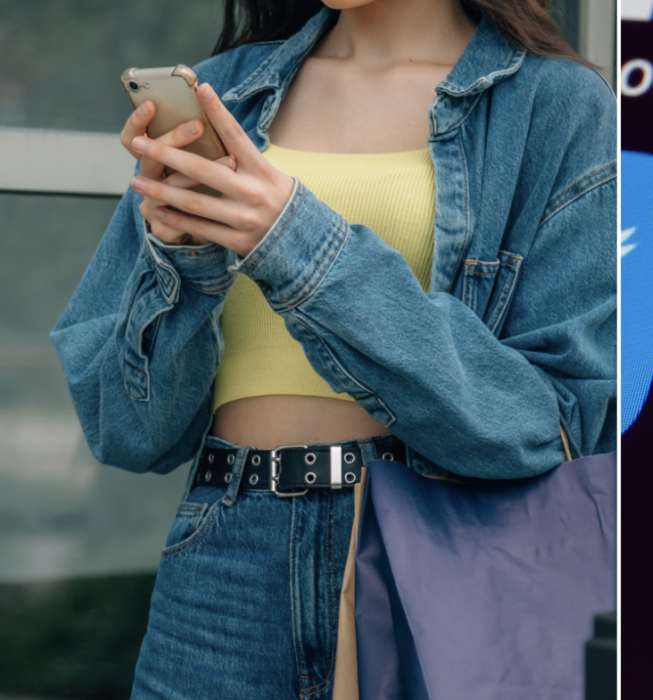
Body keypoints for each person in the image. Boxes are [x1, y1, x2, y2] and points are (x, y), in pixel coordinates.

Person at [50, 0, 616, 697]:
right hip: (224, 567)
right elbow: (128, 430)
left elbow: (544, 426)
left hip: (437, 563)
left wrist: (296, 242)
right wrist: (182, 260)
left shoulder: (553, 105)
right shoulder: (222, 90)